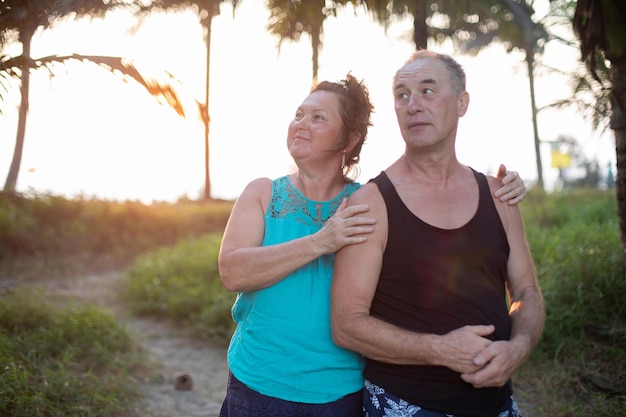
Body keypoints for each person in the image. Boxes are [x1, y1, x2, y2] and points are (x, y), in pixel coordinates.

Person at [217, 72, 527, 417]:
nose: (301, 124)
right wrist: (321, 241)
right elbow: (232, 272)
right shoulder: (261, 193)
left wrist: (503, 189)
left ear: (349, 140)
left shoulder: (370, 201)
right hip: (257, 381)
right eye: (299, 114)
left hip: (341, 393)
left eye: (318, 117)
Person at [331, 50, 545, 417]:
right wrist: (439, 349)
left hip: (498, 405)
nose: (413, 104)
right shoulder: (371, 203)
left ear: (462, 103)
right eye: (402, 95)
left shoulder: (499, 196)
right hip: (404, 404)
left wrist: (518, 348)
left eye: (428, 91)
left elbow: (526, 291)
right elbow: (347, 325)